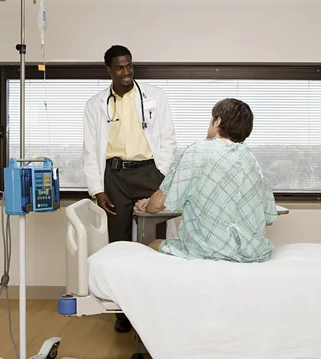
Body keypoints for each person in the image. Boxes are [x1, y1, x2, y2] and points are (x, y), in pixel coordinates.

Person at [82, 44, 177, 332]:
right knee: (119, 242)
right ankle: (123, 312)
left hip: (150, 171)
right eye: (120, 68)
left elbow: (168, 138)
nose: (126, 72)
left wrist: (162, 175)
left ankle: (160, 303)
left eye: (129, 66)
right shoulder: (95, 104)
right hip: (115, 176)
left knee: (157, 237)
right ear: (109, 70)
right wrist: (97, 189)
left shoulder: (154, 96)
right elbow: (89, 150)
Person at [135, 98, 278, 263]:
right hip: (252, 252)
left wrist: (146, 205)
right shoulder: (252, 160)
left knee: (154, 244)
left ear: (217, 121)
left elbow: (158, 204)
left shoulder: (196, 151)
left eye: (212, 119)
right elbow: (267, 215)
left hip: (210, 250)